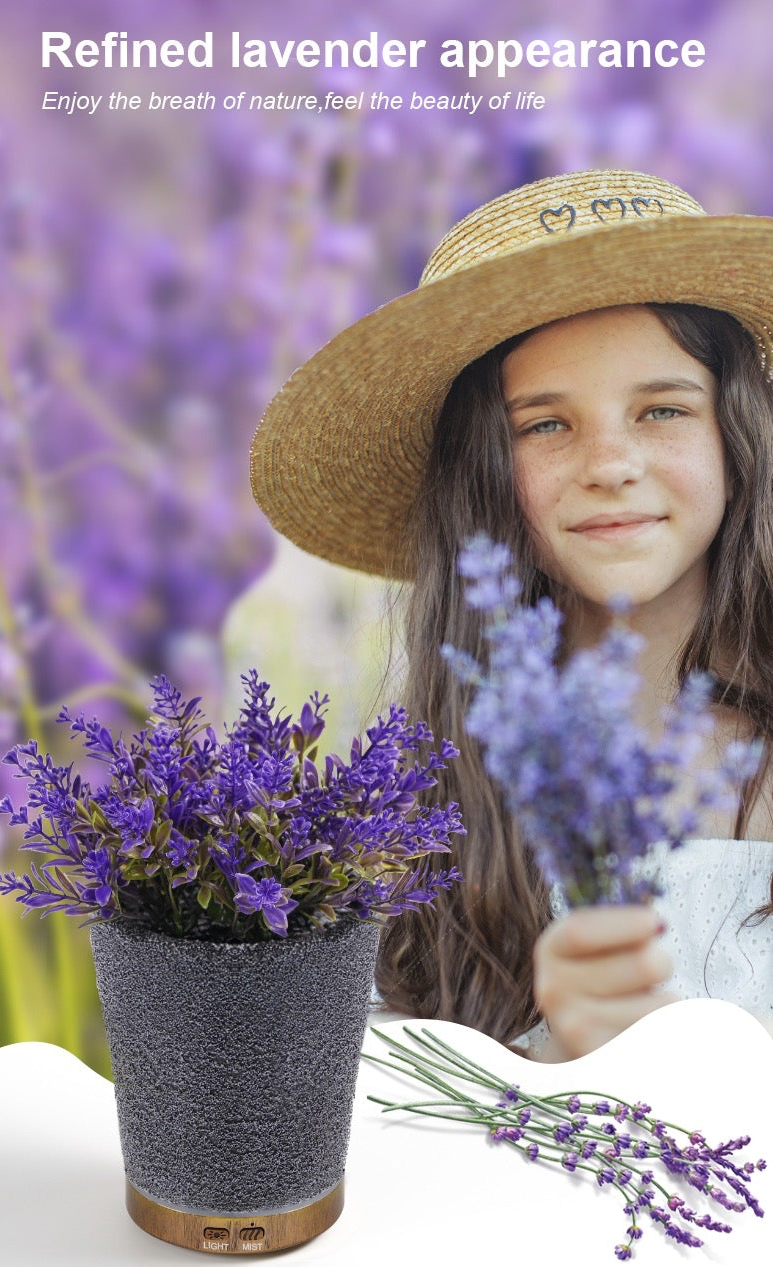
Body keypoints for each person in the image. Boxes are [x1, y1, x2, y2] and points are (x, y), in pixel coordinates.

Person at [251, 169, 773, 1061]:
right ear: (485, 473)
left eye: (661, 408)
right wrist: (553, 1059)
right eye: (544, 425)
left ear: (737, 431)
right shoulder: (421, 802)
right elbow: (373, 1101)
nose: (610, 462)